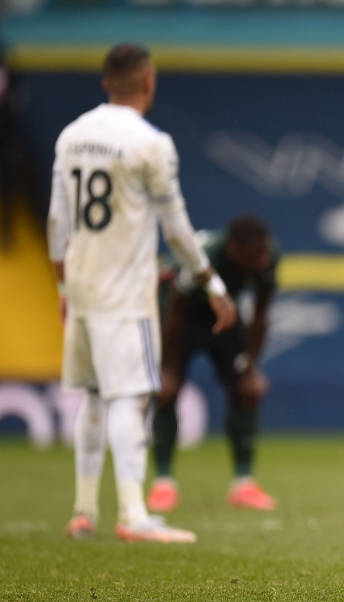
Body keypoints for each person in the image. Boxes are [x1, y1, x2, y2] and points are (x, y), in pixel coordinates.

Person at [48, 44, 237, 542]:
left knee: (91, 397)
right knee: (130, 399)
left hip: (82, 289)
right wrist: (212, 283)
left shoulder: (72, 136)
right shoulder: (151, 144)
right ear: (148, 82)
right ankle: (133, 515)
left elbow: (56, 222)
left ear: (106, 82)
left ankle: (83, 510)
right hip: (126, 293)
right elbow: (176, 230)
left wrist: (64, 285)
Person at [147, 214, 278, 512]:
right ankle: (163, 484)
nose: (263, 260)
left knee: (246, 391)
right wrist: (168, 369)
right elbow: (177, 309)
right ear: (234, 251)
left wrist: (250, 367)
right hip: (179, 317)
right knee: (167, 391)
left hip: (226, 314)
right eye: (255, 255)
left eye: (265, 252)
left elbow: (260, 314)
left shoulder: (267, 256)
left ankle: (244, 484)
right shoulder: (207, 257)